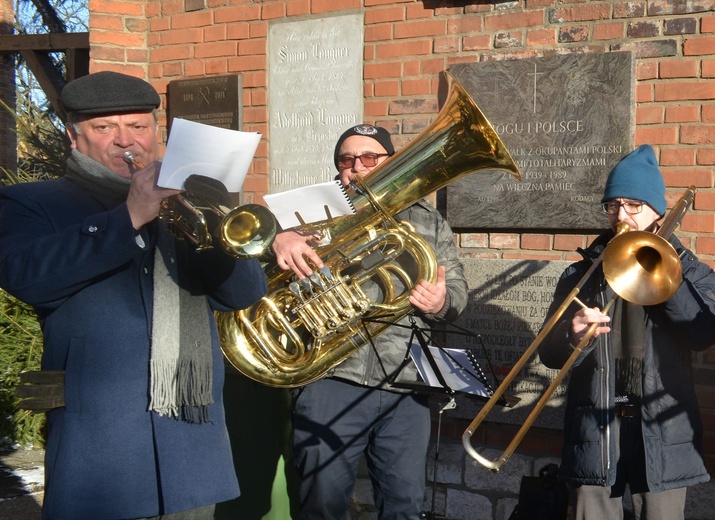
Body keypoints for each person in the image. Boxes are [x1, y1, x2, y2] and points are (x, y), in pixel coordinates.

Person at [0, 71, 268, 520]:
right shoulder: (33, 203)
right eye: (105, 128)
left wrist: (219, 222)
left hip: (192, 444)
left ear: (157, 132)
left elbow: (242, 294)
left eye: (139, 127)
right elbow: (27, 276)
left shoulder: (185, 203)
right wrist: (129, 216)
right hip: (103, 451)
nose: (128, 142)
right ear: (74, 136)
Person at [271, 124, 469, 519]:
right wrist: (277, 239)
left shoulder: (426, 218)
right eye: (346, 160)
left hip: (406, 381)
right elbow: (261, 272)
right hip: (330, 378)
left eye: (368, 158)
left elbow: (459, 290)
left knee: (405, 505)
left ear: (390, 163)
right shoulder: (307, 213)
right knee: (322, 506)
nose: (356, 167)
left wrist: (441, 300)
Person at [538, 144, 715, 520]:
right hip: (598, 427)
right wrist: (570, 333)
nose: (622, 215)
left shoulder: (691, 272)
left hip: (661, 430)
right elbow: (549, 356)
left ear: (657, 211)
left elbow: (701, 334)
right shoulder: (579, 275)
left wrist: (664, 273)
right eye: (613, 205)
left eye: (634, 204)